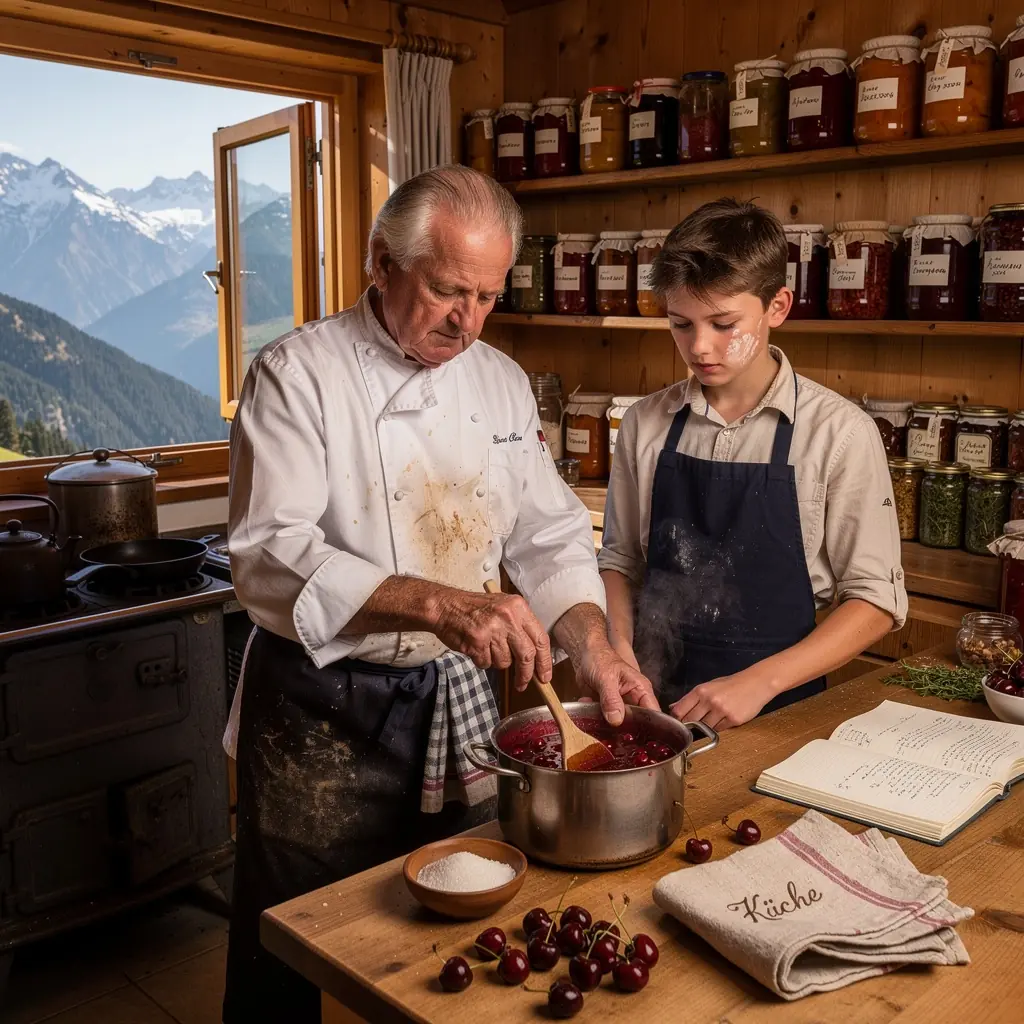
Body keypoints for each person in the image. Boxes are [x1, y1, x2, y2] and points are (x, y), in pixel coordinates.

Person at [222, 165, 656, 1024]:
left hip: (446, 698)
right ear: (383, 262)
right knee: (289, 937)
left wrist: (596, 650)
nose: (469, 320)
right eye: (448, 290)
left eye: (489, 295)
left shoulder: (498, 379)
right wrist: (445, 604)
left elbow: (548, 536)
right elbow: (269, 556)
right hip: (319, 705)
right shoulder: (296, 374)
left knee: (444, 939)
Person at [599, 199, 907, 730]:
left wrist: (759, 683)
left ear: (777, 306)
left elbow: (875, 601)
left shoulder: (839, 434)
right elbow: (620, 562)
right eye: (680, 323)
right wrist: (619, 651)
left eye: (723, 323)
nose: (699, 347)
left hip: (781, 711)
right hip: (653, 706)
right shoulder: (645, 424)